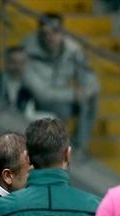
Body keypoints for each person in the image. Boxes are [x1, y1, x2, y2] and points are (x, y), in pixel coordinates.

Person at [23, 13, 99, 152]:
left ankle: (80, 146)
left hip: (61, 95)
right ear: (39, 33)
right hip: (35, 98)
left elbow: (92, 80)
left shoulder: (73, 50)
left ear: (62, 33)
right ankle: (56, 151)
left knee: (90, 100)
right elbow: (42, 94)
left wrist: (87, 91)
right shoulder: (28, 50)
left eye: (55, 32)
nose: (50, 37)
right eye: (46, 32)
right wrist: (73, 95)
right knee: (62, 109)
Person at [0, 46, 37, 114]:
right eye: (13, 62)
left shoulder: (30, 88)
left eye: (21, 63)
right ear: (5, 63)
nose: (17, 67)